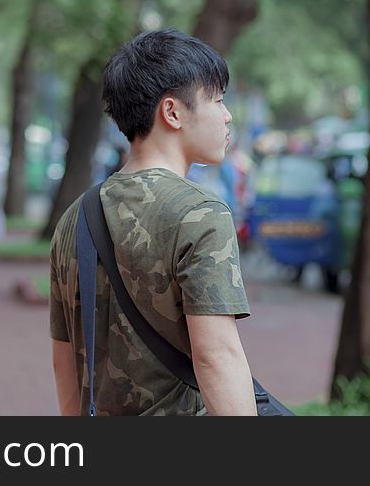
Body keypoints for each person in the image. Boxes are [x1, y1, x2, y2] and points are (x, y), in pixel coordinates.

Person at [49, 29, 257, 416]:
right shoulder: (201, 213)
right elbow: (217, 356)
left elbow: (66, 360)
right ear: (173, 112)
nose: (227, 116)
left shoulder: (74, 216)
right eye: (218, 100)